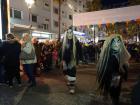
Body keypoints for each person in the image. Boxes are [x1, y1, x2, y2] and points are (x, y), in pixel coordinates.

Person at [96, 34, 131, 105]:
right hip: (110, 75)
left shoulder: (120, 53)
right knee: (113, 91)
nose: (116, 44)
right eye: (114, 42)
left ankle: (114, 100)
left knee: (115, 91)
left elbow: (124, 64)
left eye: (118, 42)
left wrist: (124, 70)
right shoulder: (106, 54)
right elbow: (102, 66)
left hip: (116, 76)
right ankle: (112, 98)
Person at [61, 26, 81, 94]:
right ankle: (69, 81)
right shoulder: (64, 40)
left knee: (72, 73)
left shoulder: (76, 40)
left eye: (71, 32)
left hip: (73, 60)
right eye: (68, 32)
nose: (69, 34)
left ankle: (72, 88)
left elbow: (79, 50)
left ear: (72, 33)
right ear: (66, 33)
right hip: (65, 60)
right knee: (66, 73)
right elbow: (61, 50)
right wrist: (60, 58)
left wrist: (80, 59)